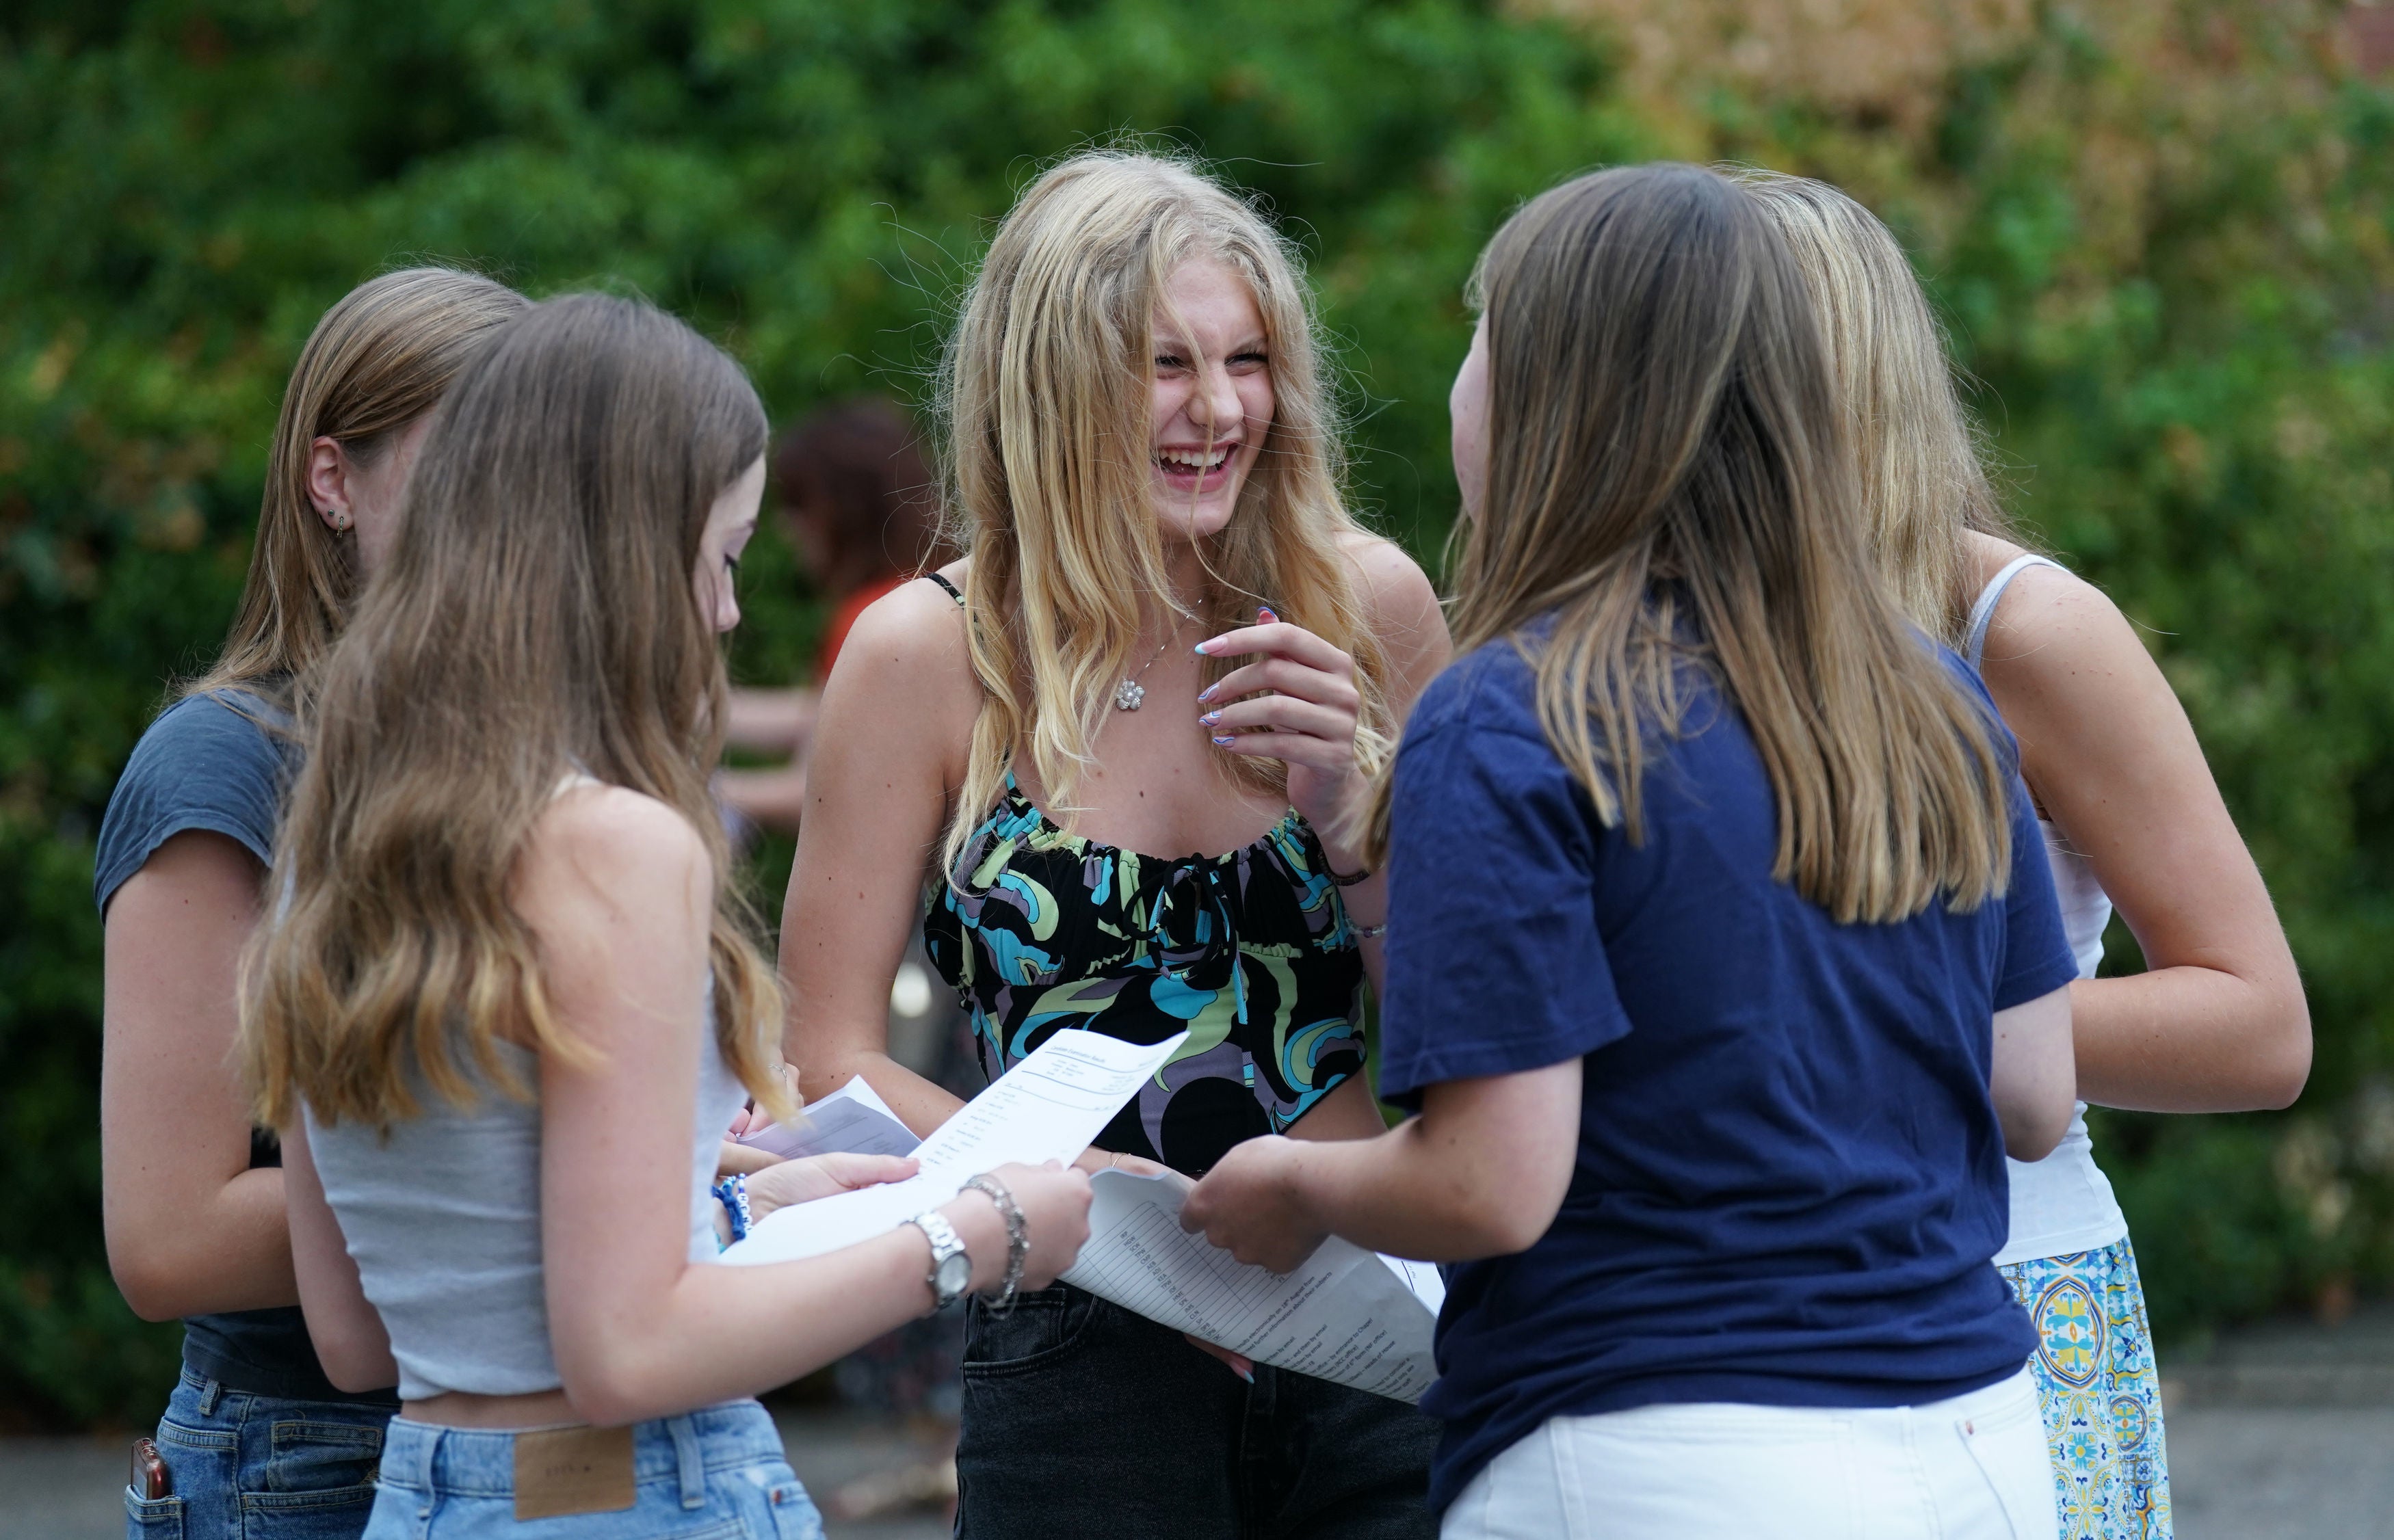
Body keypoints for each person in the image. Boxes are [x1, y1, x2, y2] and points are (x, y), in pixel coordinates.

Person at [1182, 163, 2081, 1539]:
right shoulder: (1928, 691)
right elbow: (2031, 1090)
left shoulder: (1509, 709)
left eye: (1478, 331)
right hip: (1977, 1435)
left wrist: (1287, 1179)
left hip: (1663, 1448)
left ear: (1553, 390)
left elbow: (1490, 1181)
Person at [237, 292, 1092, 1540]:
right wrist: (974, 1231)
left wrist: (737, 1206)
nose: (734, 610)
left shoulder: (335, 828)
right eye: (726, 554)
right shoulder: (616, 847)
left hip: (434, 1497)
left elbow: (361, 1332)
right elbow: (627, 1353)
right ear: (630, 554)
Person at [780, 150, 1452, 1538]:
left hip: (1369, 1316)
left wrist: (1350, 815)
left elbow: (1485, 1030)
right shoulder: (928, 651)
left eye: (1249, 360)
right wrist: (1084, 1189)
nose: (1220, 410)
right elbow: (823, 1055)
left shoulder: (1362, 602)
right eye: (1166, 365)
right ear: (1050, 380)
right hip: (1075, 1328)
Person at [1741, 170, 2312, 1540]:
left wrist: (1916, 1018)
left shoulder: (2019, 627)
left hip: (2005, 1292)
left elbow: (2258, 1023)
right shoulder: (1647, 639)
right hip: (1740, 1319)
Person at [96, 266, 524, 1540]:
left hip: (531, 1425)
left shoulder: (535, 749)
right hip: (306, 1456)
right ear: (332, 481)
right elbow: (168, 1237)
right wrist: (556, 1187)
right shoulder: (223, 767)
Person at [718, 397, 946, 835]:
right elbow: (822, 715)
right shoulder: (934, 593)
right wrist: (707, 711)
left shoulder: (875, 621)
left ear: (844, 510)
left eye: (800, 505)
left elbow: (814, 790)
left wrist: (673, 792)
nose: (787, 526)